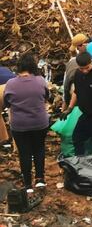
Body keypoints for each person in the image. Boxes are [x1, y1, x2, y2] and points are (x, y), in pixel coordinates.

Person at [4, 54, 49, 193]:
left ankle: (28, 184)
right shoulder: (41, 81)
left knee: (24, 152)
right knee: (39, 149)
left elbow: (7, 103)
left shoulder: (11, 83)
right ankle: (40, 179)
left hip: (19, 125)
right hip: (39, 123)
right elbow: (47, 97)